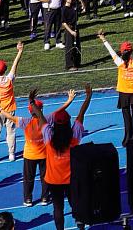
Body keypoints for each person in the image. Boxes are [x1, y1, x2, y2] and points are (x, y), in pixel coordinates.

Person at [0, 89, 76, 206]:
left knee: (28, 178)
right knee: (45, 177)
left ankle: (28, 199)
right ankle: (45, 198)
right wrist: (69, 100)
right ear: (41, 109)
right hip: (44, 155)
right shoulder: (47, 119)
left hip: (29, 155)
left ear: (30, 111)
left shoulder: (25, 122)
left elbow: (10, 117)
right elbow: (60, 110)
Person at [29, 84, 92, 230]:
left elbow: (40, 117)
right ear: (69, 122)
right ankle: (81, 225)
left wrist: (32, 102)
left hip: (53, 180)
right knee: (76, 203)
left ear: (55, 124)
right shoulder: (74, 136)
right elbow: (82, 113)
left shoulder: (49, 137)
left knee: (58, 208)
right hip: (71, 179)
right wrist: (88, 96)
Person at [98, 24, 133, 146]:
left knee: (126, 117)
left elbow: (111, 51)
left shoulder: (119, 63)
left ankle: (127, 139)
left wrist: (103, 39)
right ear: (131, 52)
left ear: (121, 52)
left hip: (123, 94)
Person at [61, 0, 81, 70]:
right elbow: (64, 22)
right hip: (69, 29)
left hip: (75, 27)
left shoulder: (74, 7)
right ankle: (69, 65)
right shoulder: (64, 9)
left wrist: (80, 0)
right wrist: (71, 31)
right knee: (69, 47)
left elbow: (83, 9)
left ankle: (77, 62)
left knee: (77, 45)